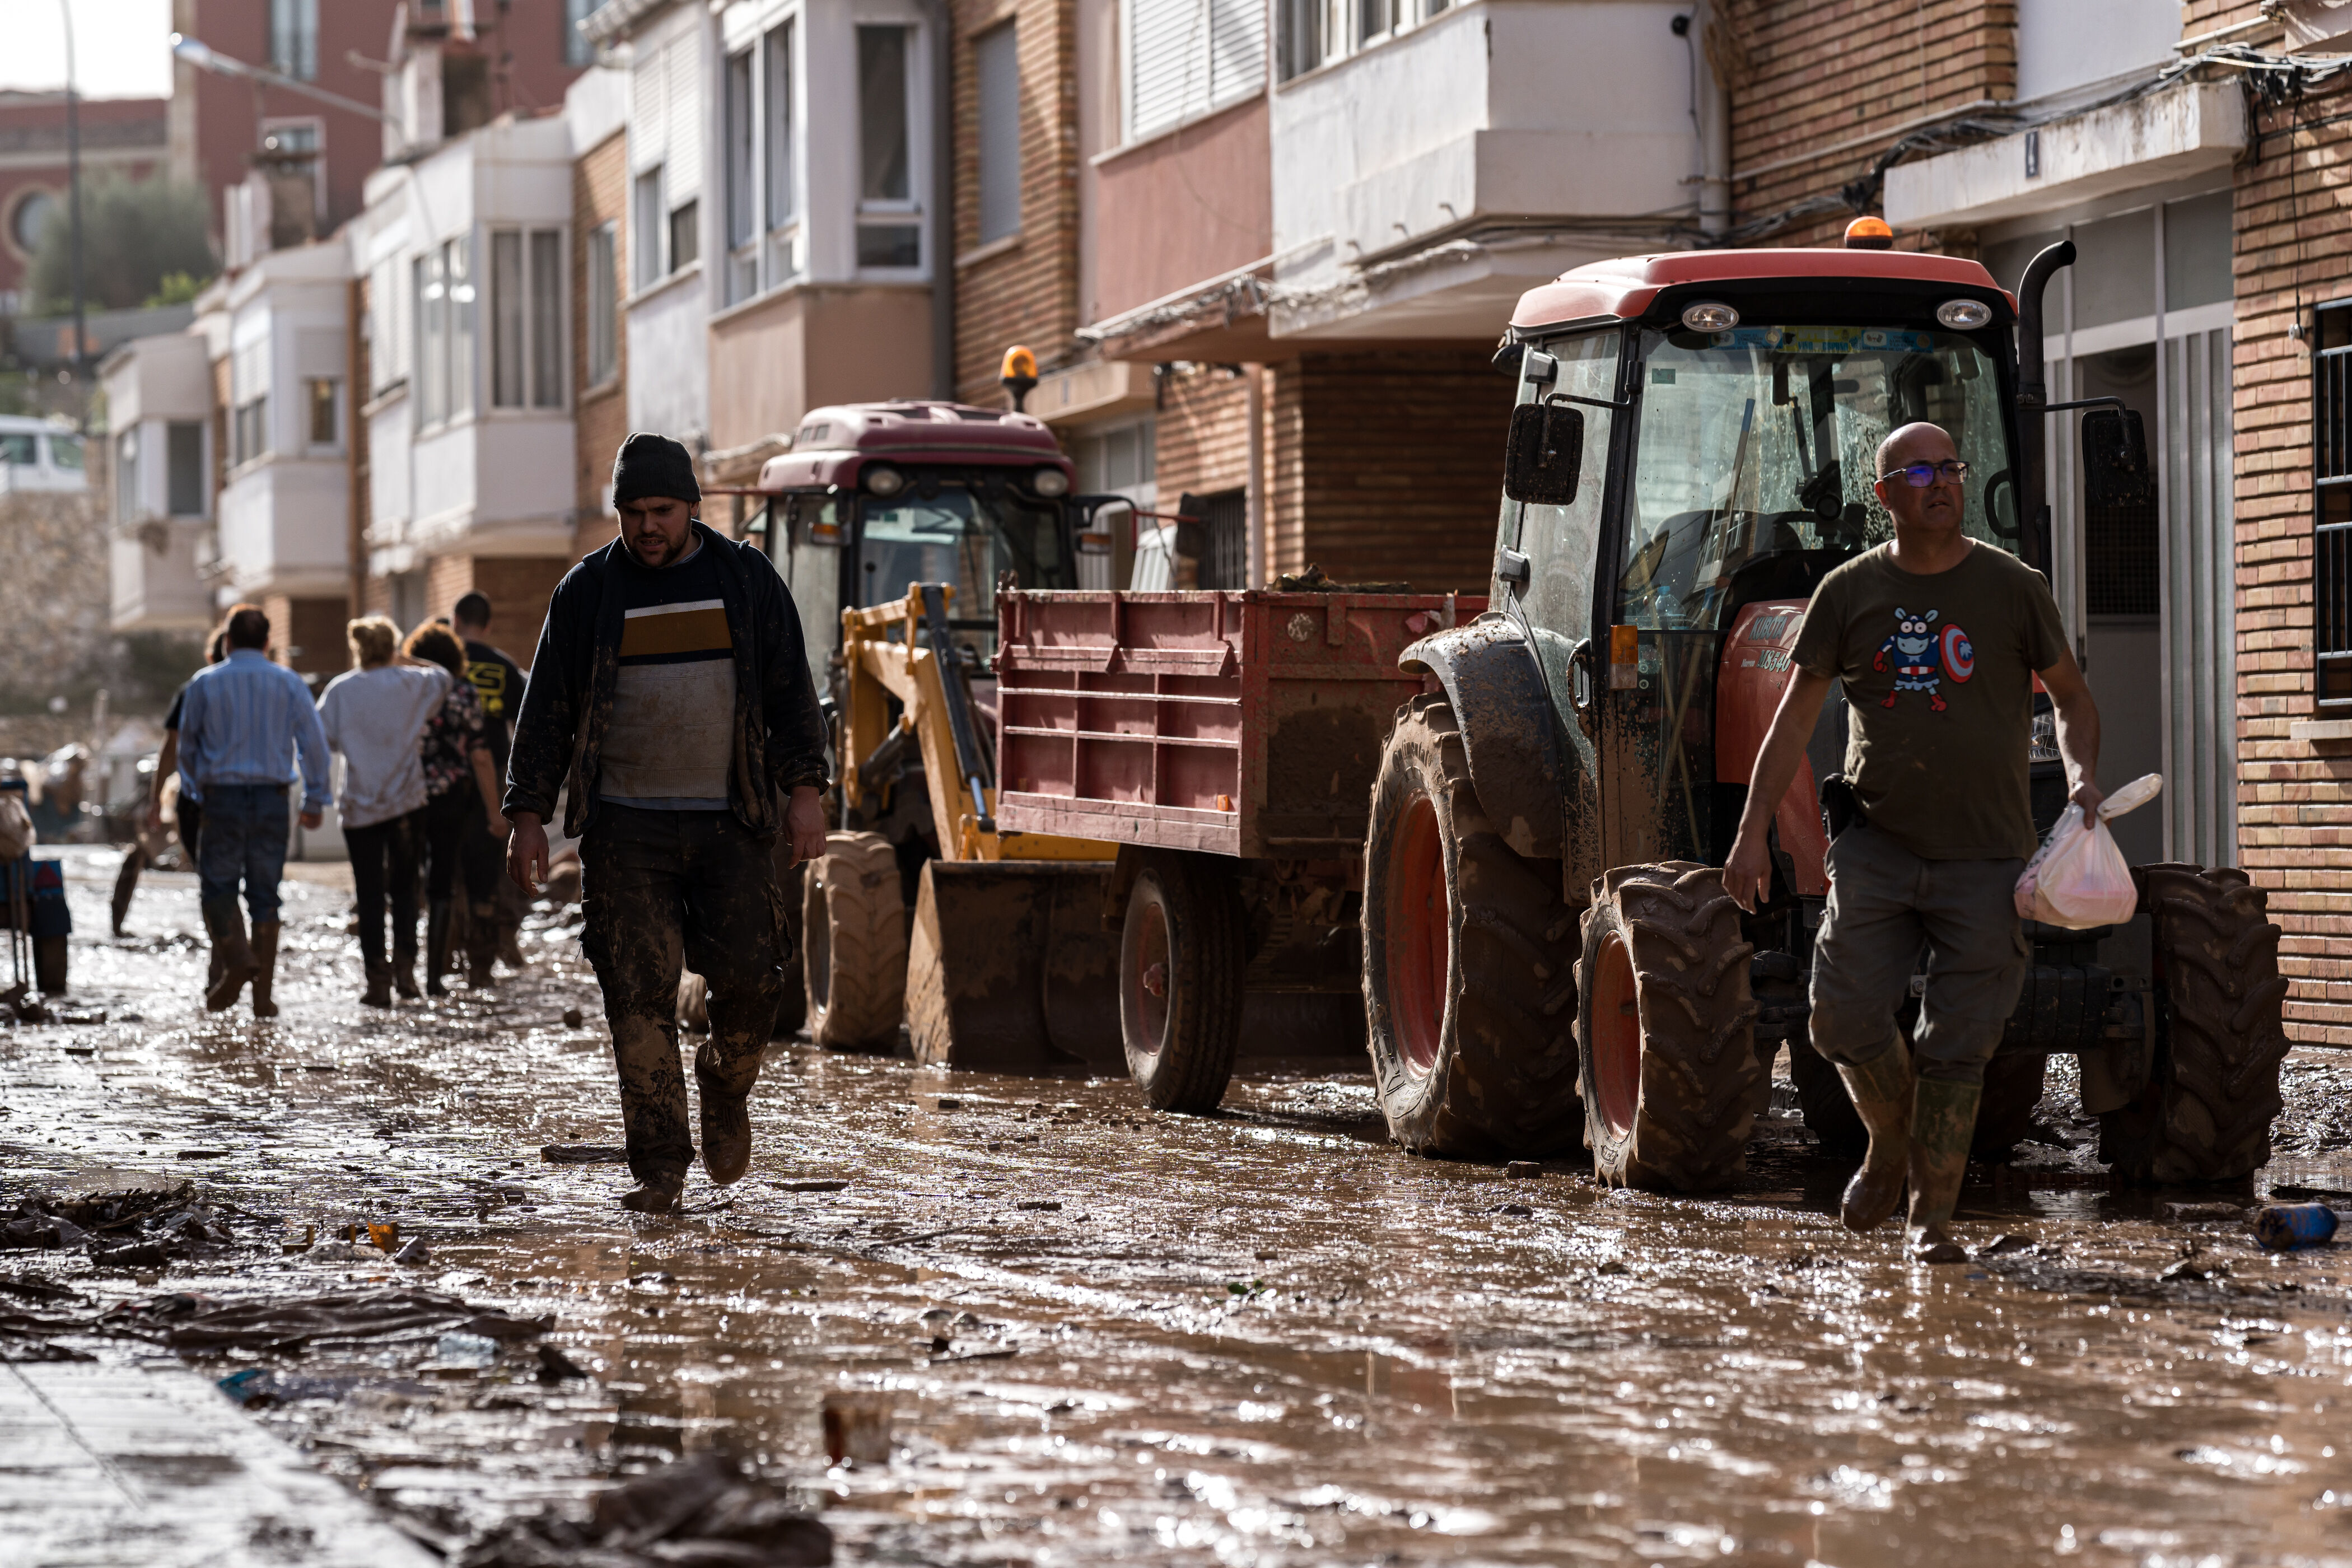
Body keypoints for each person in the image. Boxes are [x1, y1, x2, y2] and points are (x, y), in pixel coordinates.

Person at [1725, 422, 2103, 1263]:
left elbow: (2073, 700)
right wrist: (1752, 833)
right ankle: (1890, 1144)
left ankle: (1931, 1219)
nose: (1941, 482)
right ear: (1883, 493)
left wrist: (2079, 777)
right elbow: (1792, 720)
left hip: (1989, 856)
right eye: (1919, 470)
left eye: (1951, 468)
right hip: (1878, 848)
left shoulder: (2013, 587)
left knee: (1959, 1046)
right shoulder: (1849, 594)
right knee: (1843, 1017)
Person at [504, 432, 829, 1214]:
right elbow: (545, 707)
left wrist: (806, 790)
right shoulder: (586, 592)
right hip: (626, 831)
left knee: (753, 985)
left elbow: (790, 690)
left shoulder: (745, 578)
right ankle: (659, 1168)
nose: (647, 527)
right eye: (632, 512)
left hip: (733, 822)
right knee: (637, 998)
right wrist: (527, 814)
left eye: (662, 511)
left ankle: (724, 1081)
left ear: (693, 507)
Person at [174, 604, 330, 1015]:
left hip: (220, 799)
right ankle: (263, 998)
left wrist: (193, 791)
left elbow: (186, 748)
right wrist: (316, 800)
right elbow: (314, 745)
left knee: (217, 889)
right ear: (267, 642)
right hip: (272, 800)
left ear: (227, 641)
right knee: (265, 896)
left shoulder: (204, 684)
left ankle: (239, 958)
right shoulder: (289, 682)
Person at [318, 617, 450, 1007]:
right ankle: (406, 974)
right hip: (407, 802)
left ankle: (377, 981)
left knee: (370, 893)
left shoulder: (340, 691)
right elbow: (444, 676)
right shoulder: (413, 682)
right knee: (407, 890)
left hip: (360, 807)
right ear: (391, 647)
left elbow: (323, 737)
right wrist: (408, 660)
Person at [403, 623, 508, 995]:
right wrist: (496, 813)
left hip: (403, 798)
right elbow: (480, 755)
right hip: (449, 799)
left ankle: (403, 976)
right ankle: (434, 978)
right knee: (441, 882)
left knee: (403, 884)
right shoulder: (463, 691)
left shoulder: (404, 690)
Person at [114, 628, 226, 939]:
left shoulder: (195, 688)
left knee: (212, 879)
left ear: (209, 656)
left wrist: (156, 800)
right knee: (251, 885)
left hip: (198, 799)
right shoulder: (266, 687)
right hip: (256, 796)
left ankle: (226, 952)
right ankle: (239, 952)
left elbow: (171, 747)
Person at [453, 592, 529, 983]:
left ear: (455, 622)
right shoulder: (504, 667)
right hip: (494, 772)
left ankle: (443, 960)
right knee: (489, 865)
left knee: (446, 868)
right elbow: (524, 730)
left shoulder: (439, 665)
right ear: (488, 624)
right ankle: (482, 963)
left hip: (443, 778)